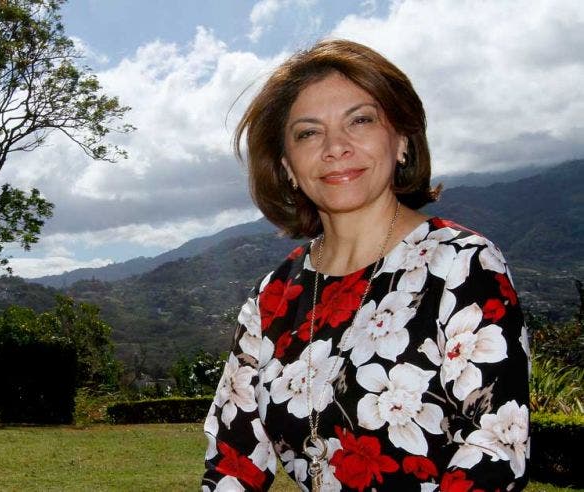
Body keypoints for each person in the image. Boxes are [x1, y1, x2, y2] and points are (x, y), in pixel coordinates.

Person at [202, 39, 530, 492]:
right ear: (287, 167)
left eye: (360, 120)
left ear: (401, 141)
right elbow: (232, 462)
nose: (336, 146)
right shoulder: (274, 297)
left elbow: (495, 446)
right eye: (308, 132)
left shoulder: (463, 264)